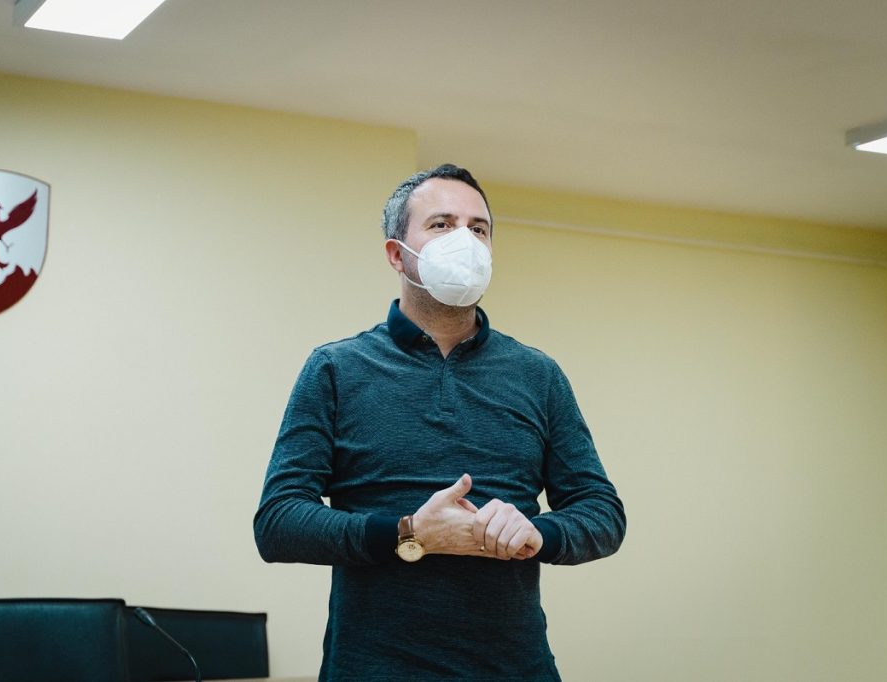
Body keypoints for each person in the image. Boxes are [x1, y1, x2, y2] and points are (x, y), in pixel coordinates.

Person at [254, 164, 625, 681]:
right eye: (442, 225)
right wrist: (408, 532)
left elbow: (602, 513)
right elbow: (278, 523)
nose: (465, 241)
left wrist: (537, 532)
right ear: (396, 254)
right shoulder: (335, 369)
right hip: (372, 669)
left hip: (515, 668)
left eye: (479, 229)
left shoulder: (538, 375)